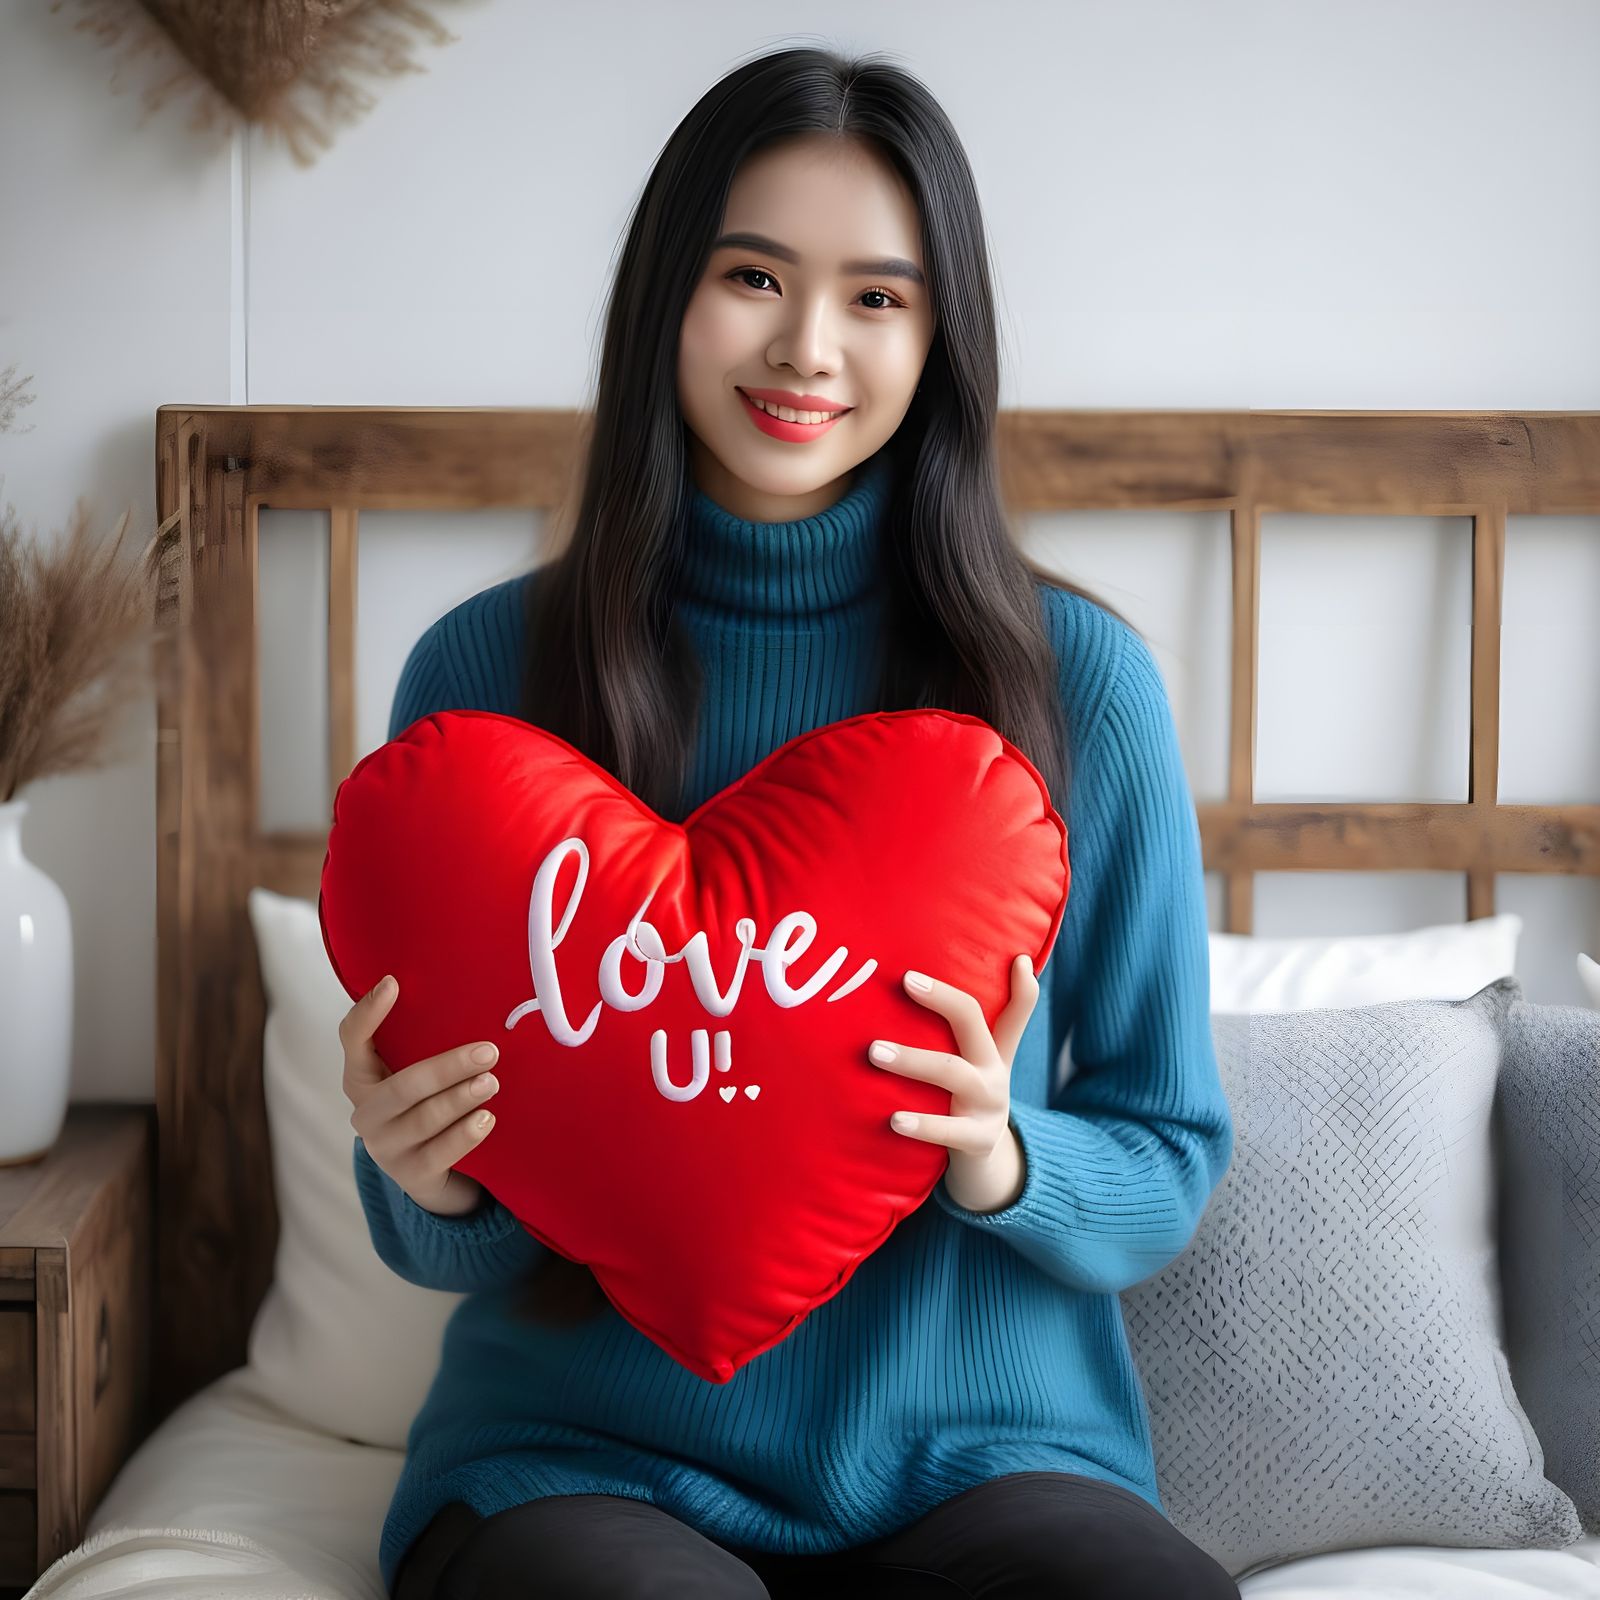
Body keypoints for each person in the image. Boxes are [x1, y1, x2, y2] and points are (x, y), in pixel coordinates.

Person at [342, 43, 1238, 1600]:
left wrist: (1000, 1156)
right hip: (581, 1465)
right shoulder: (483, 680)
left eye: (877, 297)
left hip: (990, 1459)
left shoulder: (1079, 685)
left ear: (940, 337)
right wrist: (426, 1179)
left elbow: (1167, 1154)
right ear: (666, 296)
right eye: (752, 275)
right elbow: (438, 1233)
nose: (807, 347)